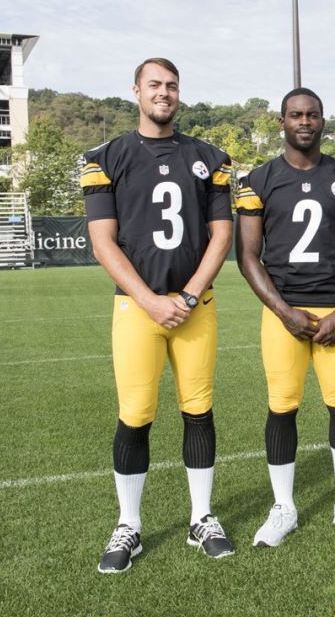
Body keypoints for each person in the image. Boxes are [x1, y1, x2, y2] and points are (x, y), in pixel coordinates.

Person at [82, 58, 236, 574]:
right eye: (155, 85)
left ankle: (202, 516)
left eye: (171, 85)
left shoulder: (210, 156)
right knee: (135, 414)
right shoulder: (106, 156)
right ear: (136, 92)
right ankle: (129, 523)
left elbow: (221, 235)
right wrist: (150, 300)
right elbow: (103, 242)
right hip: (136, 307)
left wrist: (189, 296)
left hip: (196, 305)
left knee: (199, 409)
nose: (164, 93)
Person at [235, 87, 335, 546]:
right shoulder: (258, 180)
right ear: (282, 121)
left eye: (313, 115)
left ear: (321, 121)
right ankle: (284, 506)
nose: (305, 122)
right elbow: (248, 256)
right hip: (284, 314)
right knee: (282, 407)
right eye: (295, 114)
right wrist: (282, 311)